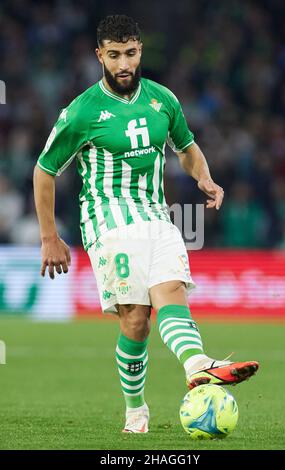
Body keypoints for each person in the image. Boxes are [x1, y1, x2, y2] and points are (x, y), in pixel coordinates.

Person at [33, 14, 259, 434]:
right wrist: (49, 236)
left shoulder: (162, 100)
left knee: (170, 295)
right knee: (135, 318)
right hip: (108, 221)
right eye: (114, 55)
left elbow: (187, 147)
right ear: (100, 55)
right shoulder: (81, 112)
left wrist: (203, 177)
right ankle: (136, 409)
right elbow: (44, 171)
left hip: (158, 217)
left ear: (141, 51)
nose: (123, 64)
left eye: (130, 54)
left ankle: (198, 365)